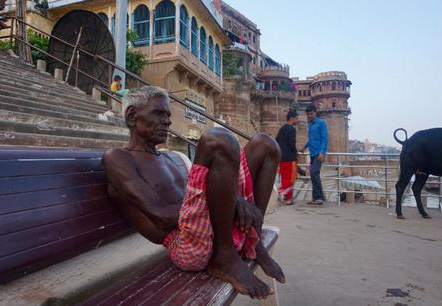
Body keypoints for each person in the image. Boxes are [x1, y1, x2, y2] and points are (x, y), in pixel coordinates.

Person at [102, 86, 285, 300]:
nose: (168, 121)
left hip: (211, 228)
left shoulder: (170, 158)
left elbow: (200, 195)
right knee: (217, 140)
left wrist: (231, 199)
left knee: (266, 144)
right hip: (185, 244)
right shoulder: (118, 158)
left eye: (168, 115)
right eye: (159, 113)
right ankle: (224, 257)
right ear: (132, 116)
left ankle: (255, 240)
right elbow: (160, 217)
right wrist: (229, 203)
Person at [301, 104, 328, 205]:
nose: (309, 116)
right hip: (312, 153)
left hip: (318, 153)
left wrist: (322, 152)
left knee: (314, 172)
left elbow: (325, 139)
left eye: (311, 113)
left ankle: (319, 197)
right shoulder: (310, 125)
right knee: (313, 175)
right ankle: (316, 197)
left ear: (315, 113)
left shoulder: (321, 123)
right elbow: (311, 140)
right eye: (308, 114)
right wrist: (304, 147)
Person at [275, 110, 299, 205]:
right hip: (290, 159)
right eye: (296, 118)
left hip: (282, 158)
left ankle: (287, 198)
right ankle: (282, 194)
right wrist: (296, 154)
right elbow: (292, 144)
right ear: (292, 118)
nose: (297, 120)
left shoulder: (282, 129)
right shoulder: (292, 129)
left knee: (285, 178)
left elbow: (276, 141)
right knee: (291, 179)